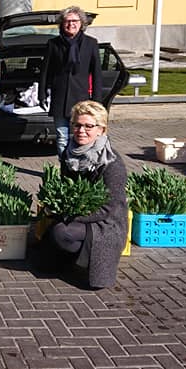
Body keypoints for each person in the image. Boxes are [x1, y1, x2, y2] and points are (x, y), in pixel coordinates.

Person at [42, 100, 127, 289]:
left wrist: (72, 216)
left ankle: (87, 259)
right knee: (52, 235)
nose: (81, 130)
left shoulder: (111, 162)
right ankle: (73, 257)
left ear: (102, 130)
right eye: (77, 125)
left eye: (89, 126)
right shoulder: (69, 154)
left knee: (62, 232)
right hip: (79, 215)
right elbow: (67, 189)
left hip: (107, 222)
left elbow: (109, 207)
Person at [38, 6, 104, 157]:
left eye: (74, 21)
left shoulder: (91, 43)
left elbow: (97, 74)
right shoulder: (53, 44)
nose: (71, 24)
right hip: (60, 97)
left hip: (81, 99)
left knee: (81, 137)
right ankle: (65, 170)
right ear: (62, 24)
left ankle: (80, 167)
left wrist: (97, 101)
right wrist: (41, 94)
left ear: (81, 23)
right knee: (62, 137)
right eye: (67, 21)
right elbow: (45, 72)